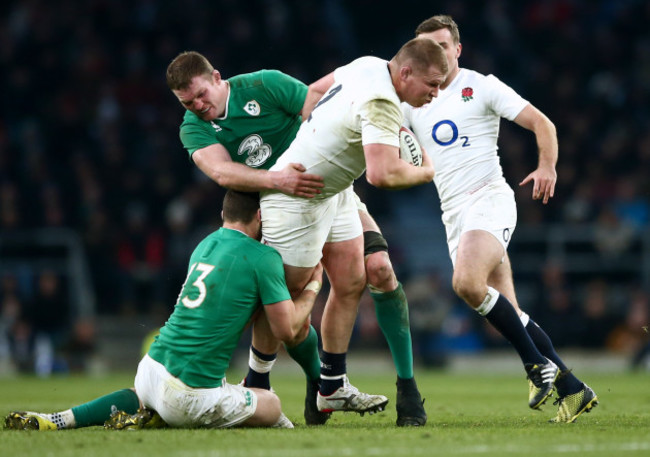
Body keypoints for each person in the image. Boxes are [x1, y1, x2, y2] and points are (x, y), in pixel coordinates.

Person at [166, 50, 429, 425]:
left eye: (200, 95)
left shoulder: (263, 84)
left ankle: (353, 383)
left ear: (217, 78)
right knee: (283, 295)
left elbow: (316, 105)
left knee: (370, 272)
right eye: (187, 102)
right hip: (279, 204)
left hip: (331, 188)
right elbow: (223, 173)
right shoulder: (192, 126)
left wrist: (366, 137)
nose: (197, 106)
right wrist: (280, 180)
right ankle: (270, 378)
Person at [403, 15, 598, 423]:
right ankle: (572, 389)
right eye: (426, 47)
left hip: (489, 198)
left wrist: (548, 166)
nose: (434, 55)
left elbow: (541, 123)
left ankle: (535, 367)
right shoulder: (413, 99)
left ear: (457, 49)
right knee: (506, 311)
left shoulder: (481, 86)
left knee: (466, 283)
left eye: (442, 46)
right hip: (454, 214)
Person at [4, 190, 323, 430]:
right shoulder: (262, 257)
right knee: (272, 405)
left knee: (143, 395)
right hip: (188, 394)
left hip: (152, 367)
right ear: (261, 215)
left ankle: (62, 420)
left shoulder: (204, 244)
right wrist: (312, 288)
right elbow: (286, 329)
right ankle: (171, 415)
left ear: (224, 212)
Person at [259, 39, 445, 417]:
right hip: (297, 199)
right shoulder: (383, 103)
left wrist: (320, 143)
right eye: (432, 84)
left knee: (352, 281)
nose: (436, 93)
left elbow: (312, 92)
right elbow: (381, 174)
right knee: (289, 306)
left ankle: (331, 386)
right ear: (406, 72)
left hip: (334, 191)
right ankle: (254, 379)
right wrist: (428, 170)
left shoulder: (368, 64)